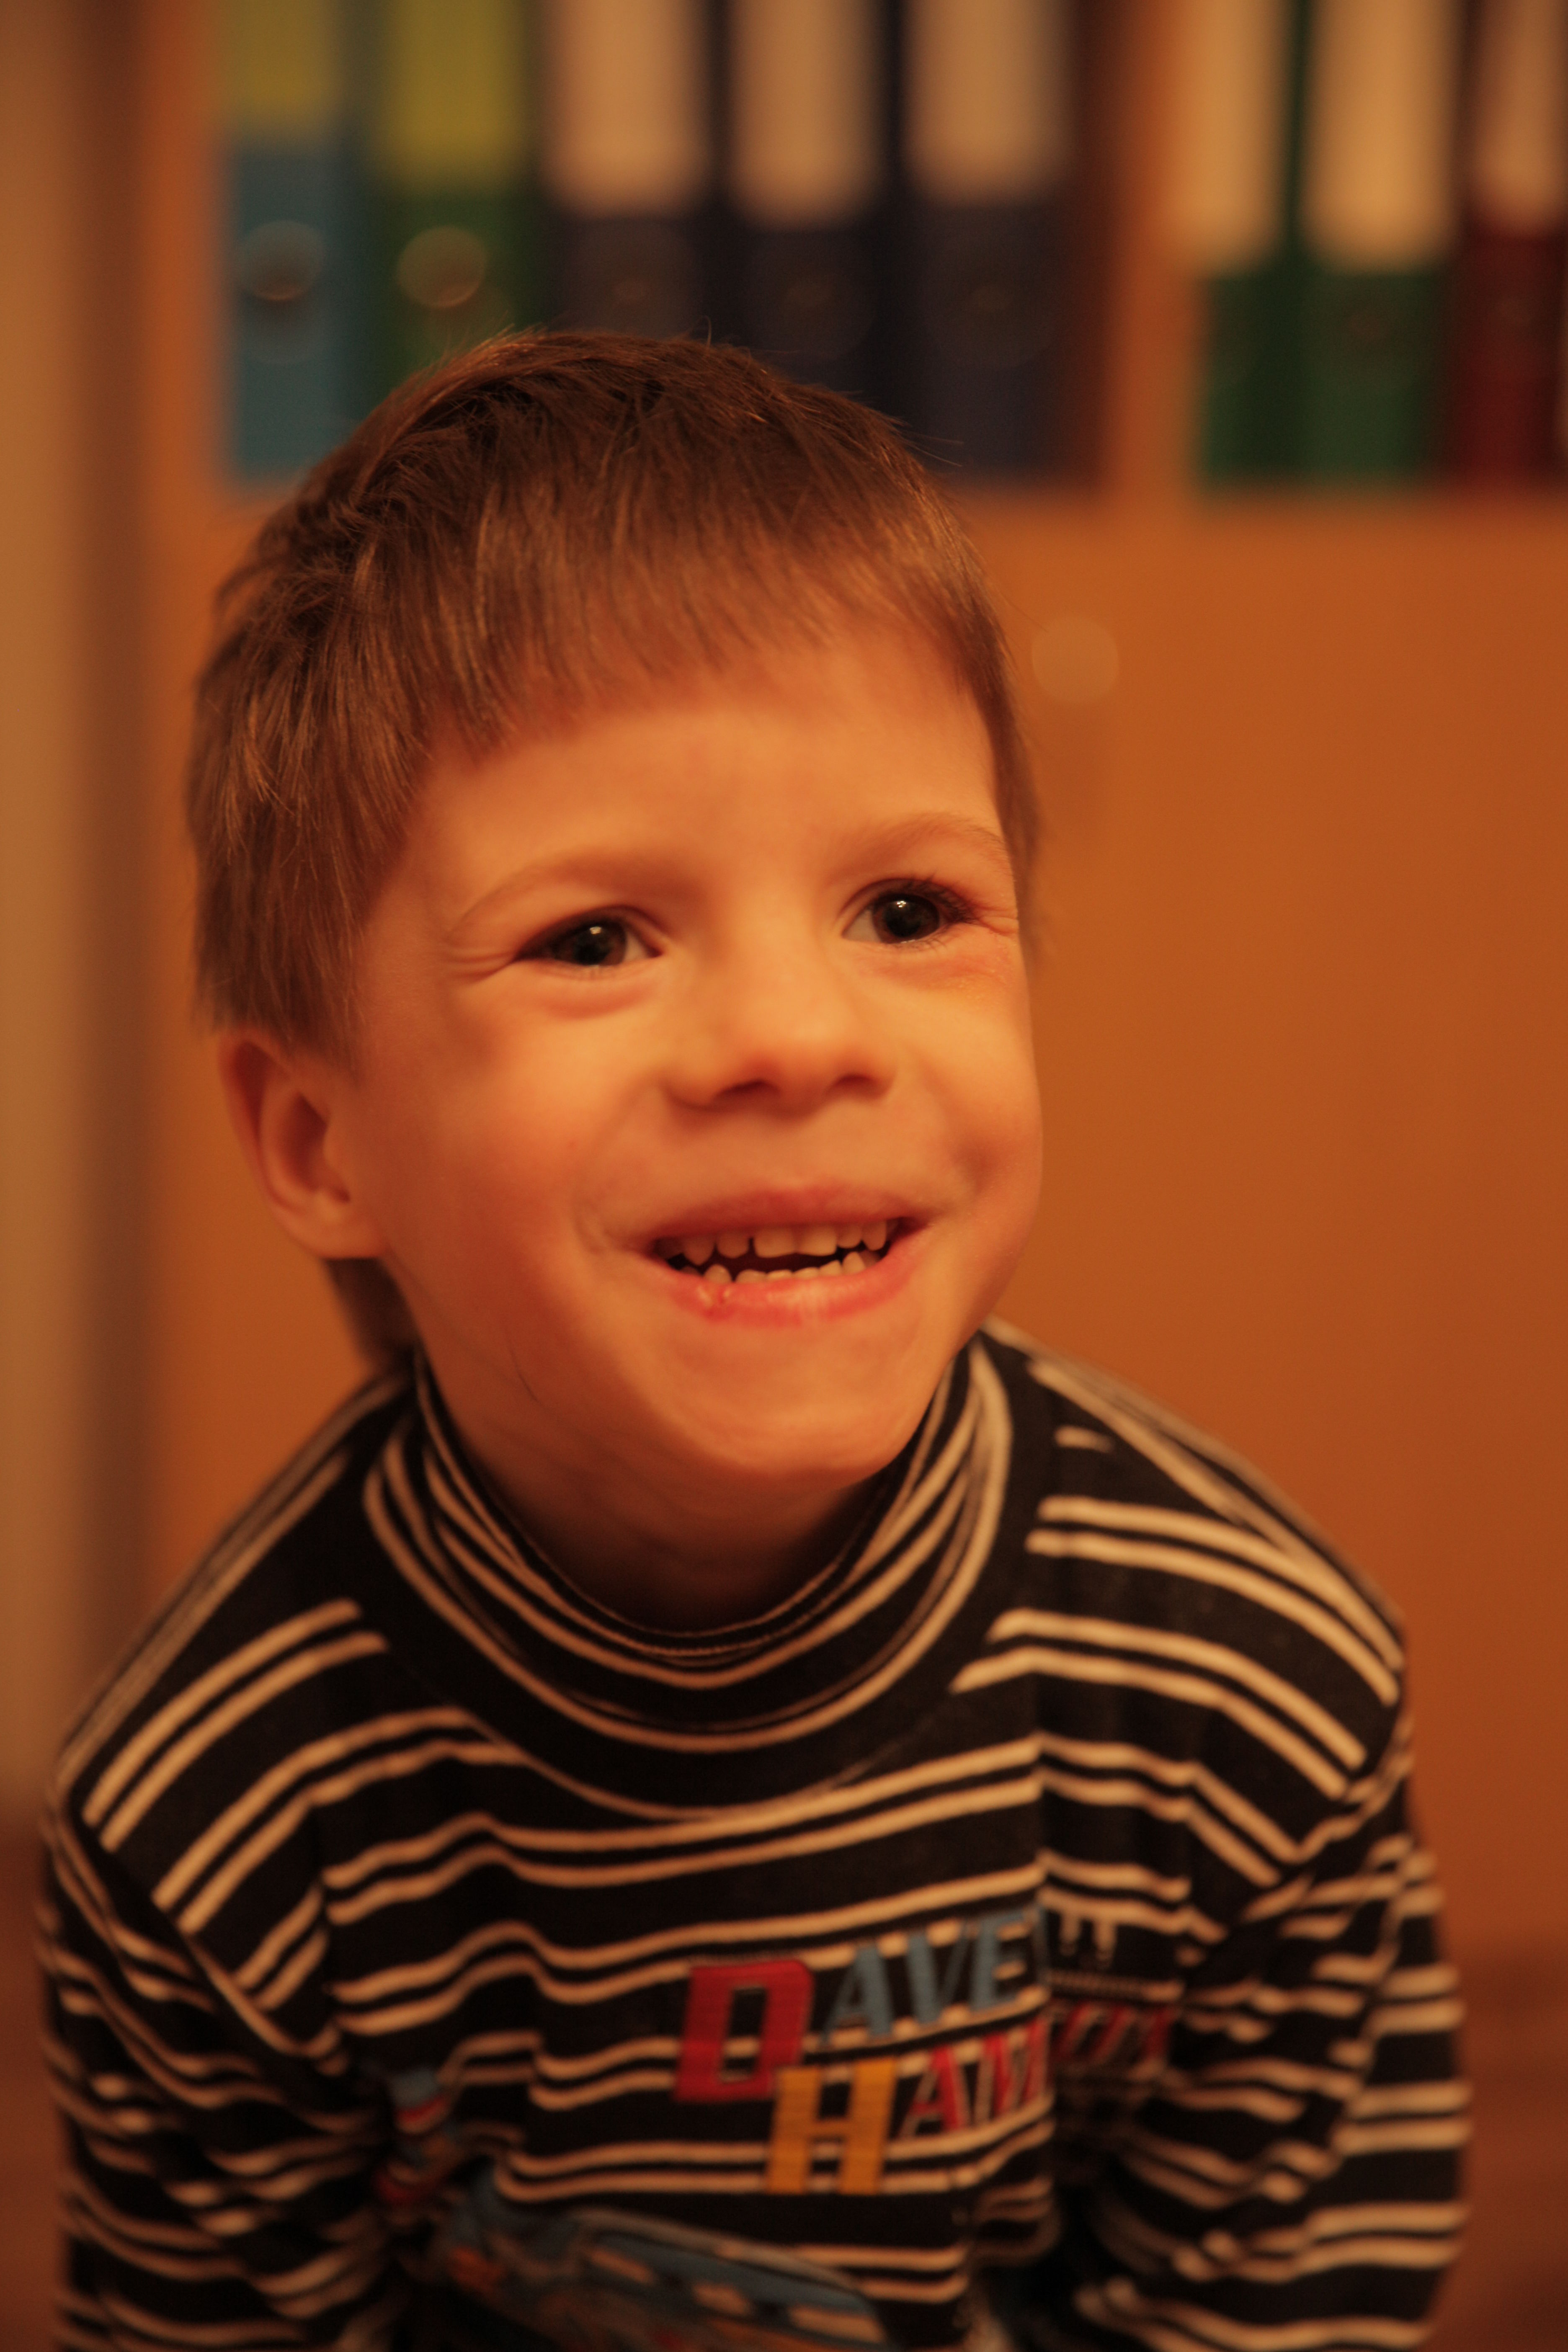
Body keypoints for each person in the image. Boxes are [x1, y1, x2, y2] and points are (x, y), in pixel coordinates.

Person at [42, 335, 1464, 2352]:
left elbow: (1282, 2293)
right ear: (317, 1139)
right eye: (595, 939)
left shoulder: (1251, 1686)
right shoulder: (212, 1821)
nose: (800, 1036)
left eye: (908, 909)